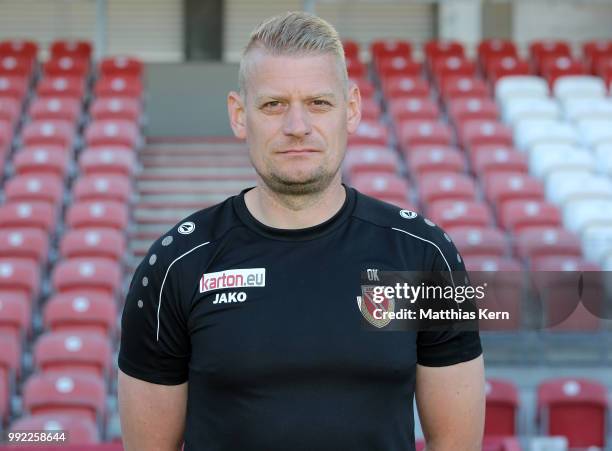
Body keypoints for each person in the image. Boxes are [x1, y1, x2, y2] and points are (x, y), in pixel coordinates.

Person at [118, 11, 485, 451]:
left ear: (350, 110)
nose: (297, 127)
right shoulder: (175, 265)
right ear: (239, 115)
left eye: (318, 103)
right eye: (274, 104)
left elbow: (457, 443)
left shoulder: (426, 257)